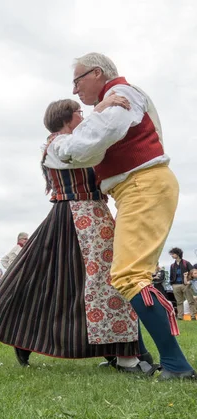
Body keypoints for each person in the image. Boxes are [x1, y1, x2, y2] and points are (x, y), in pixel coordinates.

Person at [0, 96, 151, 372]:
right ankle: (124, 357)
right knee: (100, 282)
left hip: (83, 215)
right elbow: (87, 145)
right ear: (67, 117)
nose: (82, 118)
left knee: (72, 285)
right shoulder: (60, 144)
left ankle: (115, 352)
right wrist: (101, 110)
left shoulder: (63, 143)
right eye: (78, 113)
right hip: (81, 216)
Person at [53, 52, 195, 379]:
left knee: (130, 276)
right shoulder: (117, 99)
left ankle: (176, 365)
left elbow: (87, 147)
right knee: (122, 277)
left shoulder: (121, 95)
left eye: (78, 80)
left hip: (142, 185)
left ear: (98, 73)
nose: (75, 90)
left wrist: (66, 139)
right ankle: (141, 355)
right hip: (136, 188)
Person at [169, 248, 194, 320]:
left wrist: (189, 280)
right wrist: (172, 284)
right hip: (176, 285)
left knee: (190, 300)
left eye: (173, 254)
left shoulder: (186, 263)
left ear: (178, 254)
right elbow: (171, 275)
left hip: (186, 284)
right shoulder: (172, 265)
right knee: (179, 302)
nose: (172, 255)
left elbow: (192, 272)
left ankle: (193, 316)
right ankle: (180, 316)